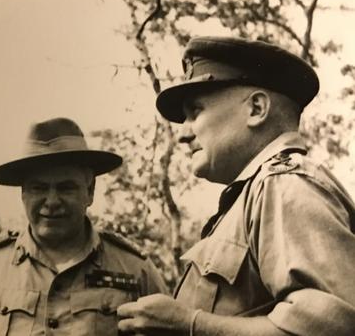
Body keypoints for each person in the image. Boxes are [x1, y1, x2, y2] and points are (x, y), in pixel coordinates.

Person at [116, 36, 355, 335]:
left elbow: (334, 328)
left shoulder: (282, 184)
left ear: (256, 108)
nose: (183, 134)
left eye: (195, 112)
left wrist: (188, 324)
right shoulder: (253, 195)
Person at [0, 117, 168, 336]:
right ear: (23, 194)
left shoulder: (134, 269)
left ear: (89, 192)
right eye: (39, 188)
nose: (51, 201)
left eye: (66, 188)